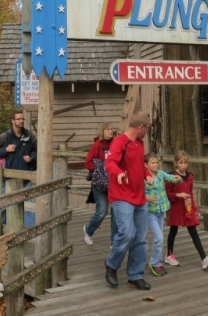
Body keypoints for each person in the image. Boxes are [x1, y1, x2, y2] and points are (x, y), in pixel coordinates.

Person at [104, 112, 154, 291]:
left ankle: (135, 276)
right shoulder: (120, 142)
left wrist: (147, 175)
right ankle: (111, 265)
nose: (148, 131)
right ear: (140, 127)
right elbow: (110, 163)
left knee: (140, 238)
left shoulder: (139, 143)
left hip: (139, 197)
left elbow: (139, 165)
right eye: (147, 128)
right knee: (127, 233)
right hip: (121, 196)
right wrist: (119, 173)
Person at [164, 150, 208, 270]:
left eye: (185, 162)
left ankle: (204, 258)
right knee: (173, 230)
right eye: (181, 162)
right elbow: (167, 194)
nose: (183, 165)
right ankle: (169, 254)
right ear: (175, 163)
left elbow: (190, 194)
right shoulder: (171, 177)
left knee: (193, 232)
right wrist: (178, 195)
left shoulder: (190, 177)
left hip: (187, 208)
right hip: (176, 208)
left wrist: (195, 209)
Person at [0, 108, 37, 226]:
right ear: (13, 121)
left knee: (28, 205)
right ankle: (1, 227)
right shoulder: (5, 136)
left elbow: (37, 150)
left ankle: (29, 230)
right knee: (4, 204)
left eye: (23, 119)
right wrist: (6, 149)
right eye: (19, 119)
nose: (21, 121)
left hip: (25, 177)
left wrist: (31, 157)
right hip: (8, 177)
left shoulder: (29, 136)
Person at [144, 153, 181, 276]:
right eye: (152, 163)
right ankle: (154, 262)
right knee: (159, 238)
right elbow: (137, 193)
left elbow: (170, 177)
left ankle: (157, 261)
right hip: (150, 212)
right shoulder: (144, 178)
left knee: (159, 238)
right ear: (146, 165)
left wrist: (177, 179)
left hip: (161, 211)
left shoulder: (160, 174)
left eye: (156, 162)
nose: (156, 165)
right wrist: (147, 198)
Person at [83, 123, 116, 247]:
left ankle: (114, 241)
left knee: (116, 213)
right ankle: (88, 230)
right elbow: (88, 162)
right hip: (100, 184)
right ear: (102, 132)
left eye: (111, 129)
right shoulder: (97, 145)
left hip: (113, 183)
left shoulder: (115, 144)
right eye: (108, 129)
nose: (110, 131)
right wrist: (97, 172)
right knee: (101, 212)